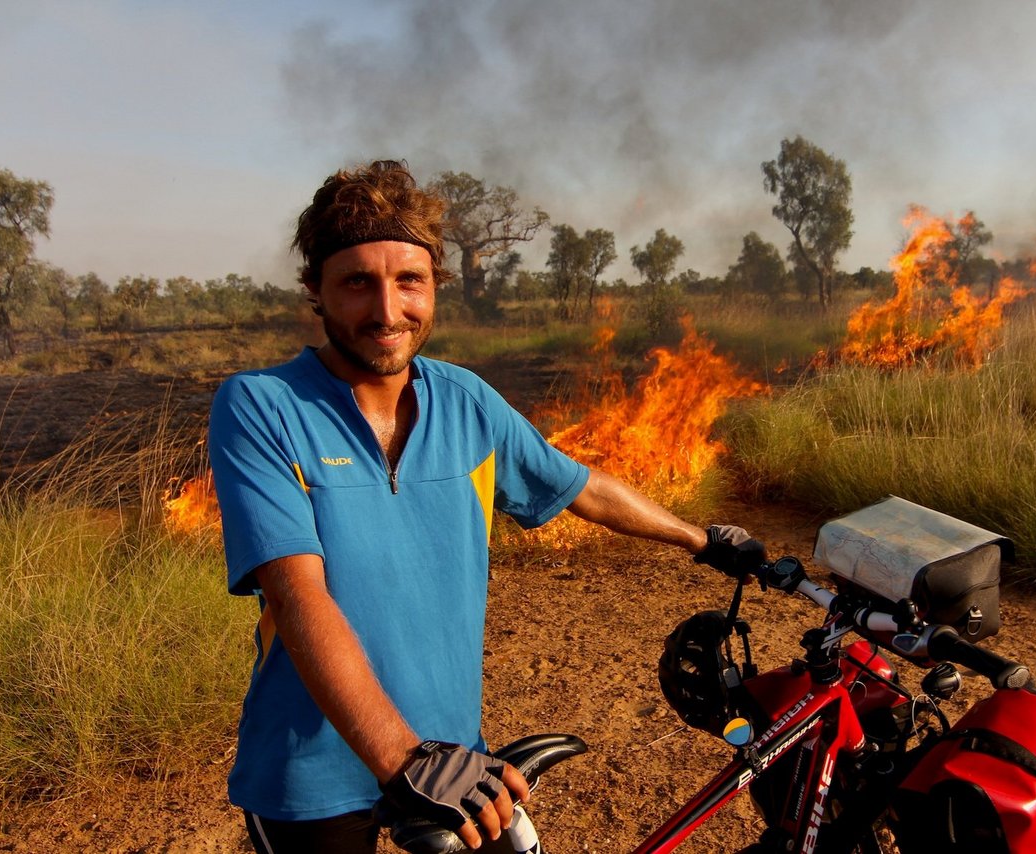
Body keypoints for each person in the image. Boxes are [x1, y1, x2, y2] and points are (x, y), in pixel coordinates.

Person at [208, 159, 765, 854]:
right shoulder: (261, 406)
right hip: (312, 770)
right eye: (357, 283)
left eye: (409, 281)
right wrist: (403, 760)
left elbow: (582, 486)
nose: (387, 312)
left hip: (452, 754)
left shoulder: (466, 401)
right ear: (315, 292)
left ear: (434, 286)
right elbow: (297, 598)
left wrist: (702, 540)